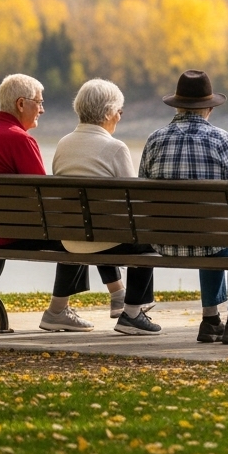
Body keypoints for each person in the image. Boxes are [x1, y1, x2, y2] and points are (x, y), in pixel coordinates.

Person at [0, 73, 123, 332]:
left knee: (80, 224)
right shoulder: (19, 139)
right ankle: (74, 306)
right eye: (38, 102)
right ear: (21, 104)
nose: (42, 109)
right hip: (16, 233)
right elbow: (47, 197)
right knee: (84, 226)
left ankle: (111, 295)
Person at [139, 70, 228, 345]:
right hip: (210, 238)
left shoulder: (155, 139)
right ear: (210, 108)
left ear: (177, 105)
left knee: (211, 235)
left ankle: (210, 320)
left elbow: (142, 190)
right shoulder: (221, 140)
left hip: (164, 241)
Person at [52, 79, 161, 335]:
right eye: (119, 112)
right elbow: (134, 204)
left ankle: (122, 298)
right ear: (109, 112)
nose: (120, 117)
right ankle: (132, 313)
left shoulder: (63, 144)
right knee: (150, 238)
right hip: (103, 239)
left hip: (70, 238)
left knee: (95, 222)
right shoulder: (115, 148)